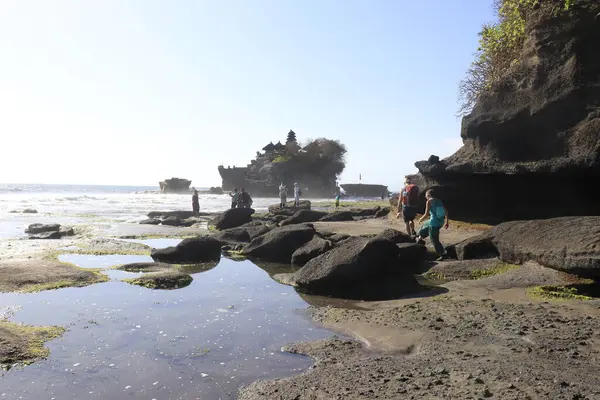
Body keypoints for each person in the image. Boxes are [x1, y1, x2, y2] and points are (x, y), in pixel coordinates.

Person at [414, 189, 449, 261]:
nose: (425, 197)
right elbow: (446, 211)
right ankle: (420, 238)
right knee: (426, 226)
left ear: (428, 195)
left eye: (426, 196)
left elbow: (426, 214)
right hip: (440, 222)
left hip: (434, 223)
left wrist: (420, 219)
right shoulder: (439, 201)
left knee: (434, 239)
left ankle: (442, 254)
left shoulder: (429, 201)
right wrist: (447, 222)